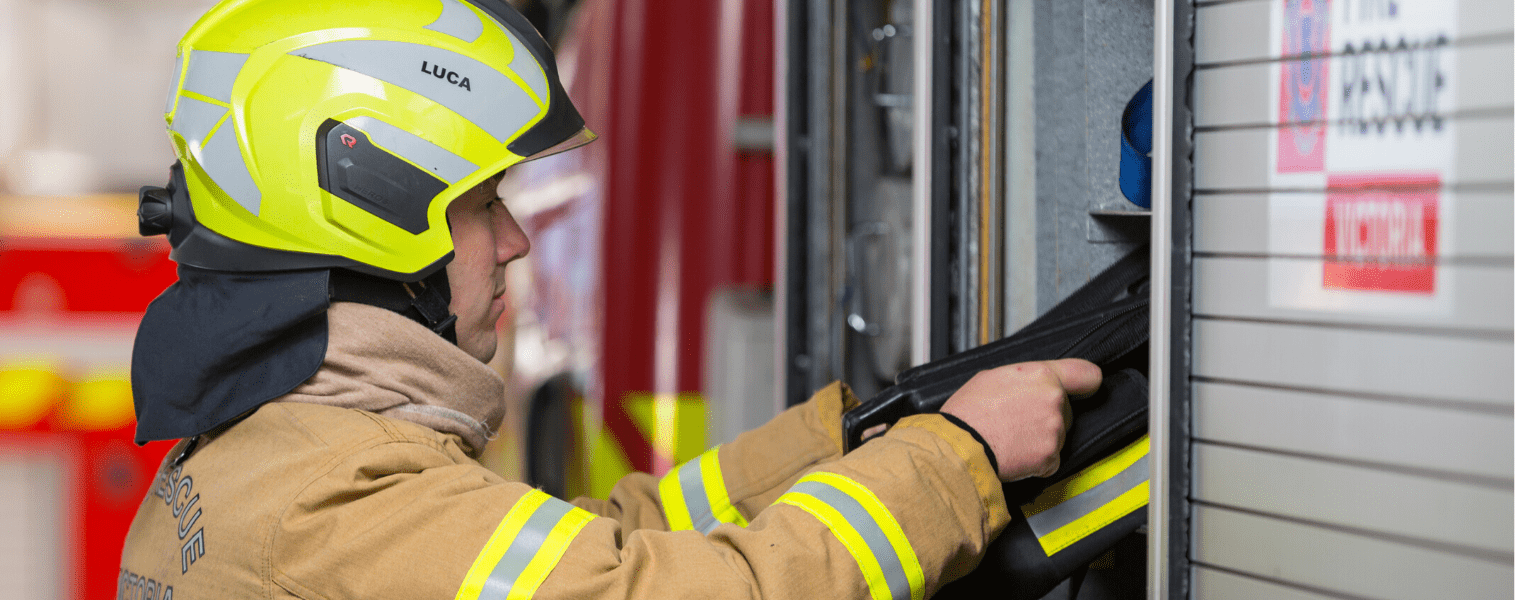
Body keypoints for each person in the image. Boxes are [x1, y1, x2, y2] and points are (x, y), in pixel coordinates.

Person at [117, 1, 1102, 599]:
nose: (515, 240)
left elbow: (606, 546)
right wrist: (953, 460)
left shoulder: (266, 464)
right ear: (372, 210)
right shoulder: (346, 509)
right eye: (482, 203)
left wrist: (848, 441)